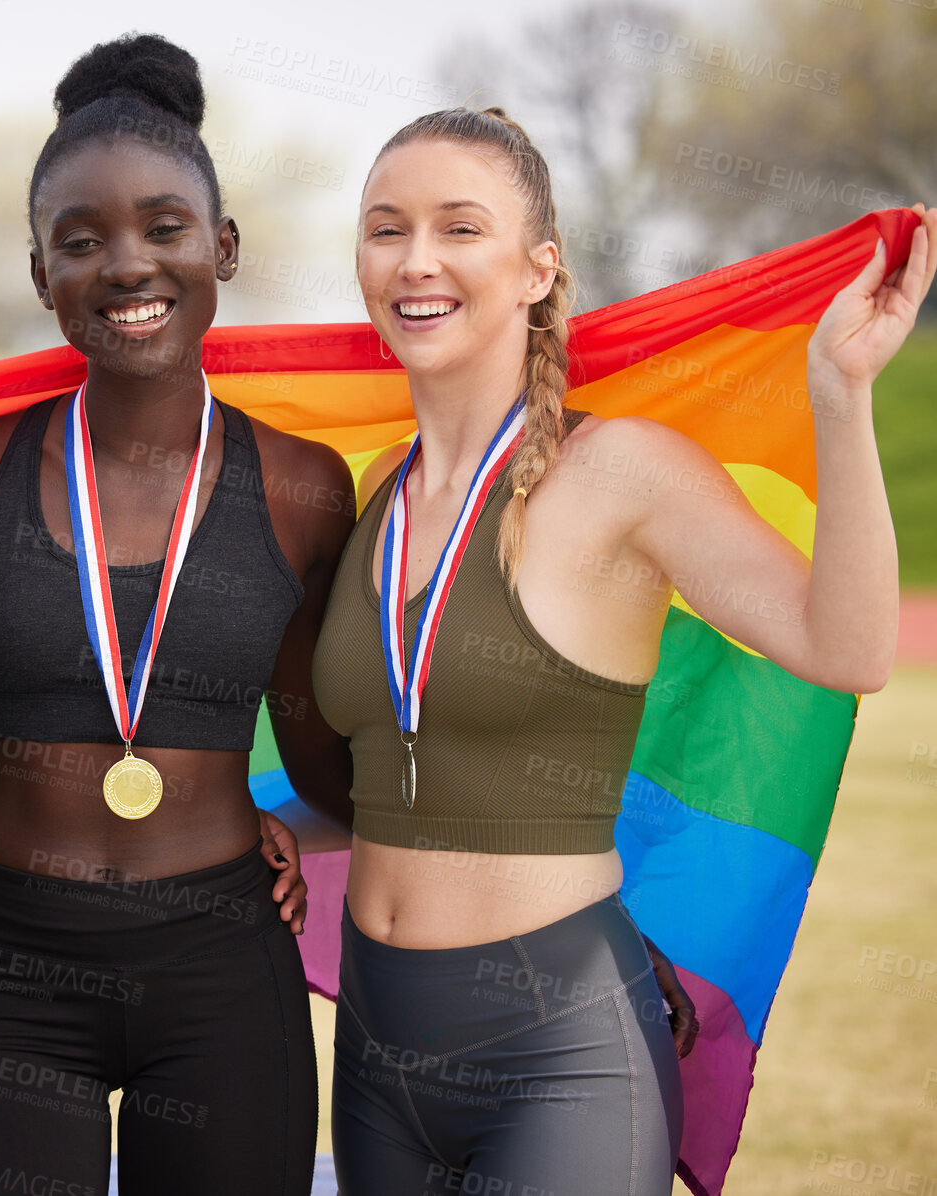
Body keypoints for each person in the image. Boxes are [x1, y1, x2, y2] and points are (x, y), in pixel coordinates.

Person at [312, 107, 936, 1194]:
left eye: (461, 228)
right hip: (374, 1054)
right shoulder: (377, 495)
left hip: (560, 1053)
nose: (417, 260)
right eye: (386, 228)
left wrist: (841, 398)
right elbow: (393, 772)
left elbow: (847, 647)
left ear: (537, 268)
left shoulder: (624, 473)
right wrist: (258, 829)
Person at [0, 33, 356, 1196]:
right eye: (80, 240)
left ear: (224, 245)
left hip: (223, 962)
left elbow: (329, 759)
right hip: (9, 963)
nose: (126, 264)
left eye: (164, 227)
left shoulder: (306, 489)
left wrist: (282, 827)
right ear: (38, 270)